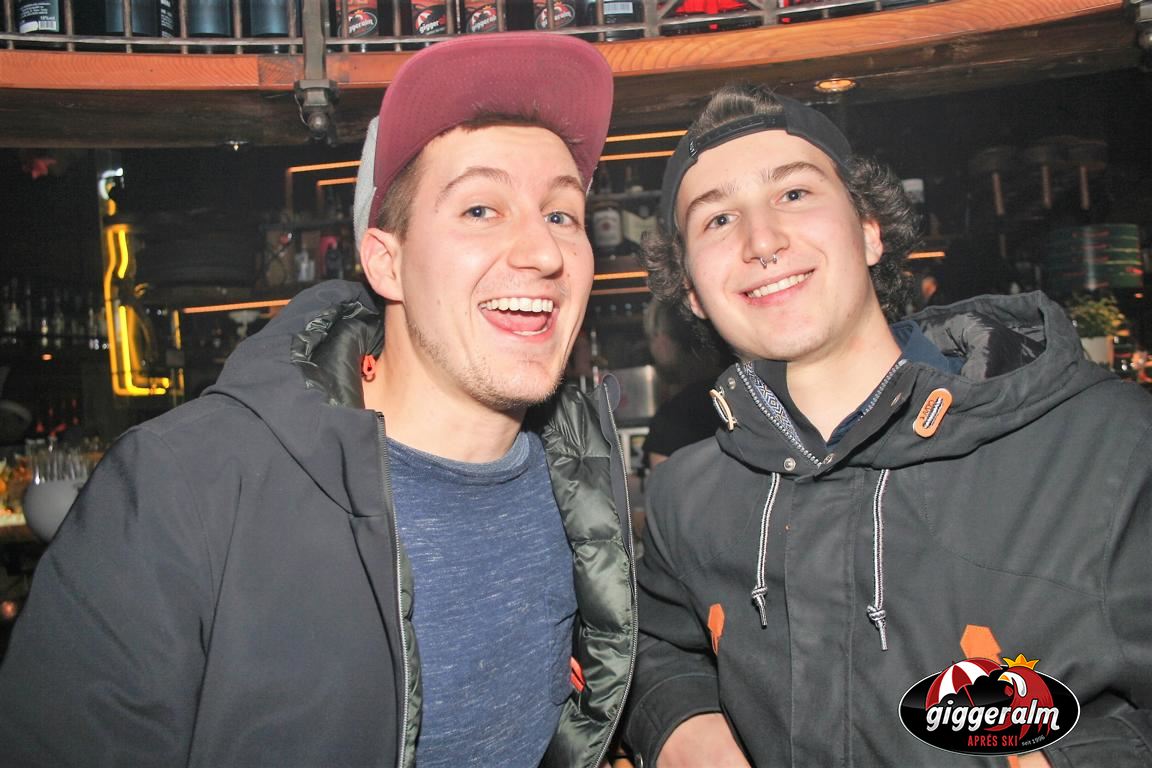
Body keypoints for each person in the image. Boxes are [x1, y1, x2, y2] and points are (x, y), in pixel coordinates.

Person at [0, 33, 636, 768]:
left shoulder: (582, 480)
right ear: (386, 263)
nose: (545, 253)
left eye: (561, 215)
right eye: (480, 210)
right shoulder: (179, 491)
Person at [621, 83, 1152, 767]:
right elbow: (652, 646)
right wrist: (683, 727)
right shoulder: (689, 498)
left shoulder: (1107, 448)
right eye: (717, 219)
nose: (762, 240)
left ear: (870, 229)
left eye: (794, 193)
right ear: (692, 290)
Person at [640, 298, 728, 470]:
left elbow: (663, 483)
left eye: (651, 338)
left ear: (662, 341)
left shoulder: (673, 418)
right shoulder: (745, 392)